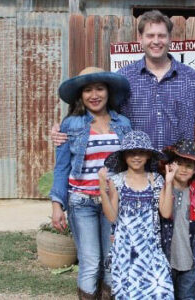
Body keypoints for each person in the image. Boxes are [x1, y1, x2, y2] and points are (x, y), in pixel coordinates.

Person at [53, 9, 195, 202]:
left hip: (180, 177)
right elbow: (101, 115)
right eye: (150, 35)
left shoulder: (191, 79)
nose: (156, 41)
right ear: (140, 39)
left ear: (170, 38)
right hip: (137, 180)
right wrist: (62, 130)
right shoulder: (125, 80)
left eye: (161, 35)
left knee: (182, 231)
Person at [49, 66, 132, 299]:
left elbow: (131, 163)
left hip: (113, 202)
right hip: (82, 202)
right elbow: (62, 166)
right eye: (87, 90)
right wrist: (57, 204)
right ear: (80, 95)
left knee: (111, 258)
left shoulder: (123, 123)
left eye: (99, 88)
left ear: (108, 92)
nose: (94, 95)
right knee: (90, 260)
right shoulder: (71, 125)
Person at [99, 130, 174, 298]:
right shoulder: (117, 181)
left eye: (141, 152)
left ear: (148, 155)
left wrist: (168, 183)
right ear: (124, 156)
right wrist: (102, 189)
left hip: (151, 248)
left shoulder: (156, 179)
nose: (136, 157)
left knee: (162, 290)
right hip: (125, 250)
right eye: (132, 153)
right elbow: (111, 216)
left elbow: (166, 211)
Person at [160, 139, 195, 300]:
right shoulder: (163, 189)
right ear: (170, 166)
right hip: (165, 259)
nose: (183, 169)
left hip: (189, 260)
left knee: (187, 296)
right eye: (179, 164)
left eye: (189, 166)